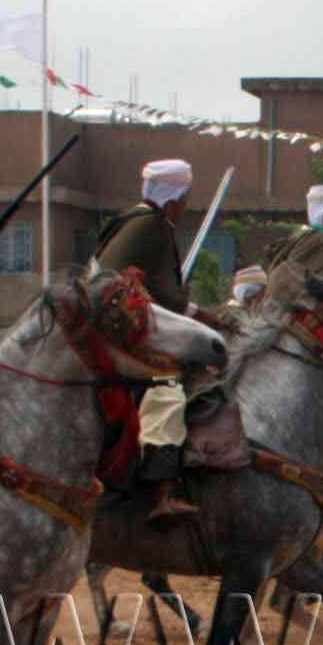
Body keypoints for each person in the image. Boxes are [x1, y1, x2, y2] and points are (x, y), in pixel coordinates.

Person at [90, 157, 207, 524]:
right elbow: (169, 299)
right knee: (167, 388)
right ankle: (163, 490)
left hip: (114, 325)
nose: (186, 207)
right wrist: (209, 319)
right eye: (185, 199)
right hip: (119, 334)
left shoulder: (128, 221)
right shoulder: (155, 226)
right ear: (173, 200)